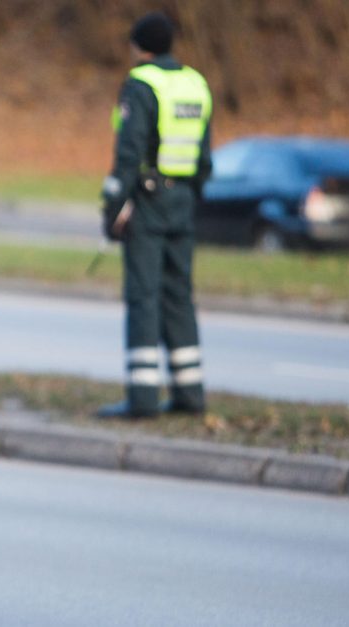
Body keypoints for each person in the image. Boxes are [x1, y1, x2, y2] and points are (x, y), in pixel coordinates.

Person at [97, 11, 213, 420]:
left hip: (148, 203)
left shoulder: (141, 84)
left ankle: (143, 398)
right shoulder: (196, 83)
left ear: (139, 46)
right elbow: (204, 158)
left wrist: (113, 206)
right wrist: (188, 194)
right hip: (183, 202)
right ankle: (190, 392)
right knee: (179, 295)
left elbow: (129, 153)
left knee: (143, 297)